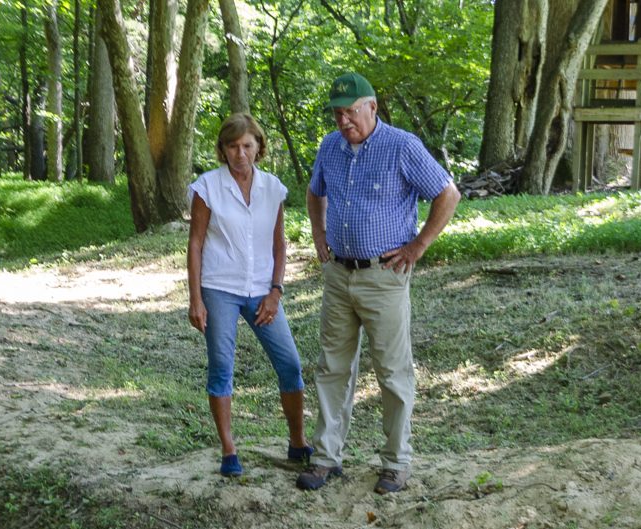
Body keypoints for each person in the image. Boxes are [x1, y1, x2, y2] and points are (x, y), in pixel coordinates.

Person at [297, 72, 460, 494]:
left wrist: (417, 246)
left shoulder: (402, 146)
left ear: (372, 106)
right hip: (338, 275)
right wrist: (318, 234)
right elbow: (316, 192)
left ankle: (395, 462)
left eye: (351, 111)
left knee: (391, 372)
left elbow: (448, 193)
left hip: (384, 276)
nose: (344, 120)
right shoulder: (329, 147)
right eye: (338, 112)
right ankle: (326, 457)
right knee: (332, 367)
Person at [187, 114, 313, 477]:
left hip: (261, 289)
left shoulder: (273, 188)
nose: (240, 153)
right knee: (222, 367)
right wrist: (196, 298)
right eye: (232, 146)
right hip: (219, 287)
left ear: (259, 147)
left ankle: (298, 442)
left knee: (289, 363)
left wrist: (276, 291)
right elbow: (195, 244)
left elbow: (278, 243)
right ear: (222, 150)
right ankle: (229, 450)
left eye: (247, 145)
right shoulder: (207, 187)